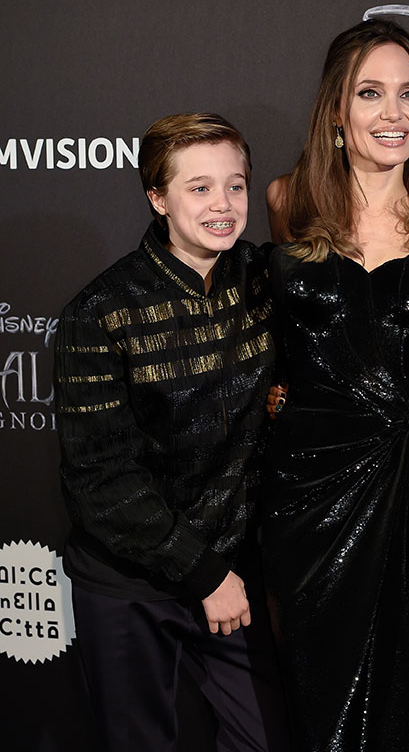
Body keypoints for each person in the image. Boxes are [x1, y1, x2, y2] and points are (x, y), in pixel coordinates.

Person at [260, 19, 409, 751]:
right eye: (372, 93)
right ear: (337, 113)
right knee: (314, 700)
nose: (394, 114)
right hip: (308, 491)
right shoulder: (288, 203)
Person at [54, 113, 289, 752]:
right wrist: (205, 574)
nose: (223, 205)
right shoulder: (99, 313)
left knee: (263, 737)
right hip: (129, 580)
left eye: (235, 186)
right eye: (199, 188)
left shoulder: (270, 280)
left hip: (231, 568)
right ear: (158, 198)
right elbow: (104, 482)